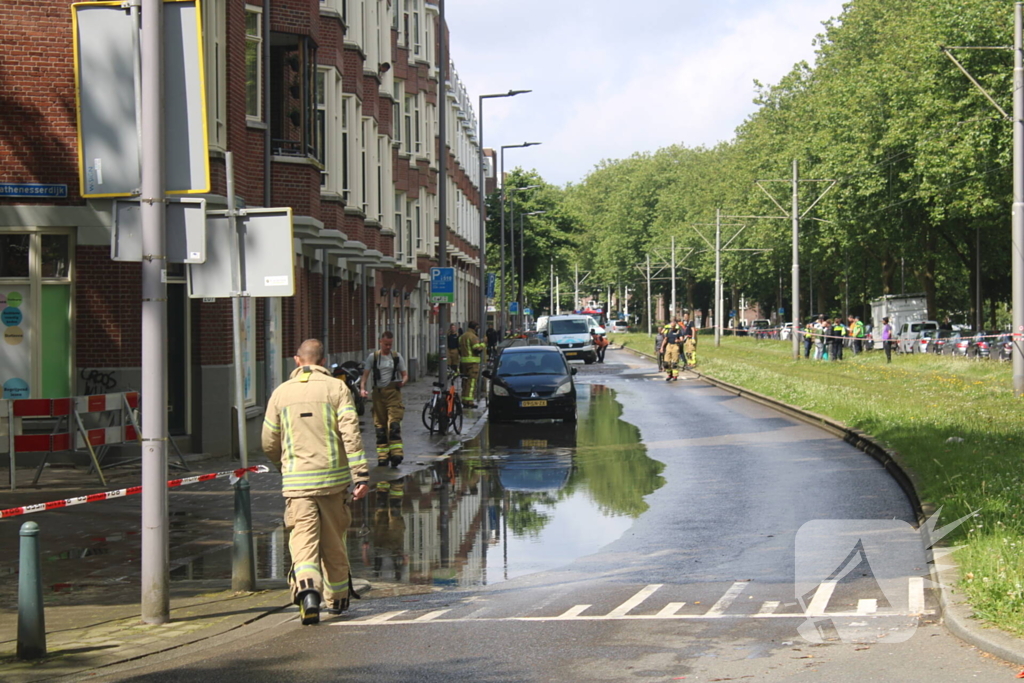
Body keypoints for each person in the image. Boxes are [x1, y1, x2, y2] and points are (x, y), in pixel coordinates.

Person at [262, 338, 370, 626]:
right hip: (333, 484)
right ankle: (338, 599)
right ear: (322, 361)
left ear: (297, 361)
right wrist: (361, 476)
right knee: (334, 541)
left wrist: (283, 466)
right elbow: (351, 435)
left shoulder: (280, 394)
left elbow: (268, 441)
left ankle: (308, 593)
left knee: (303, 543)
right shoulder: (337, 388)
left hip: (297, 485)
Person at [360, 331, 408, 468]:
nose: (388, 347)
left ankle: (396, 453)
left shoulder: (396, 357)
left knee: (394, 425)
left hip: (393, 393)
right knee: (380, 427)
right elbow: (365, 376)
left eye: (390, 344)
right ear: (380, 342)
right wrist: (362, 389)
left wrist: (402, 382)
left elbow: (405, 375)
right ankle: (383, 456)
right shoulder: (373, 358)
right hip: (378, 395)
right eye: (386, 344)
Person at [459, 321, 486, 408]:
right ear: (475, 328)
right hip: (472, 363)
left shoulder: (462, 336)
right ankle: (469, 401)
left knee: (465, 382)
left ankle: (464, 399)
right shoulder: (473, 336)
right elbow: (477, 349)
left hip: (463, 362)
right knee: (472, 382)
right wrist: (483, 344)